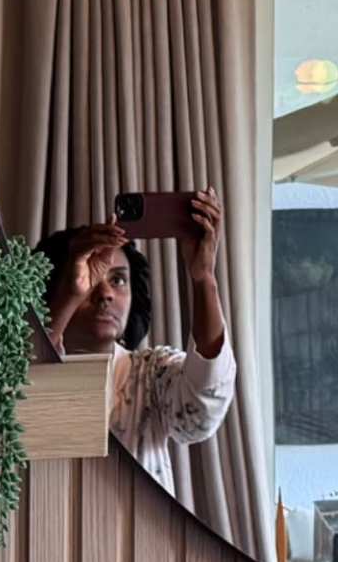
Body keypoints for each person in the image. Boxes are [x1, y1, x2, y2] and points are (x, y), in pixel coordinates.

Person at [36, 187, 237, 514]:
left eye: (118, 280)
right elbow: (16, 399)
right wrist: (70, 295)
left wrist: (204, 279)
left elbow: (202, 411)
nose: (106, 295)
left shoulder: (151, 372)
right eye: (91, 276)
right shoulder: (10, 365)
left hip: (141, 550)